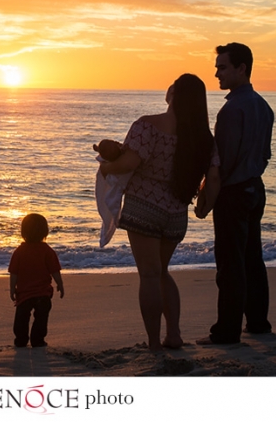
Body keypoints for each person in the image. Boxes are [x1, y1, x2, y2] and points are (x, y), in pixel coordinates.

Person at [100, 74, 220, 350]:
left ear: (172, 95)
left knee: (150, 275)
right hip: (176, 214)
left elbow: (129, 162)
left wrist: (106, 168)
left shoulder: (147, 126)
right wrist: (204, 206)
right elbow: (213, 178)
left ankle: (154, 342)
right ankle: (174, 335)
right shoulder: (204, 138)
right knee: (163, 271)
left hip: (144, 208)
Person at [198, 42, 274, 345]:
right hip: (256, 188)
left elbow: (222, 165)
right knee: (252, 258)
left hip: (234, 192)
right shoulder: (263, 106)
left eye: (223, 67)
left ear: (241, 68)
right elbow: (266, 154)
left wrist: (206, 198)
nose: (217, 73)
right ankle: (258, 322)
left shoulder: (232, 110)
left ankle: (227, 331)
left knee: (230, 264)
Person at [8, 213, 64, 348]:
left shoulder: (19, 251)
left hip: (24, 293)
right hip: (42, 293)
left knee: (21, 318)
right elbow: (55, 270)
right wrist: (60, 284)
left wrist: (12, 289)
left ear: (23, 232)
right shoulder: (47, 250)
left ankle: (21, 340)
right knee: (41, 318)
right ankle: (37, 340)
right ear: (45, 231)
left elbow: (14, 273)